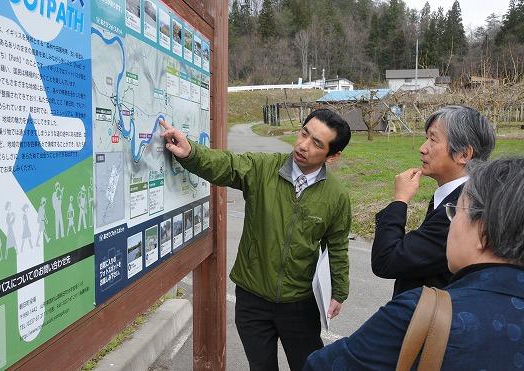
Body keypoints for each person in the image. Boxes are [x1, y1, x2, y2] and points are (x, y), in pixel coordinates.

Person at [160, 109, 352, 371]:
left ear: (333, 155)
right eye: (304, 133)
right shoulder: (263, 168)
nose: (303, 145)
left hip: (299, 303)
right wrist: (191, 153)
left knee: (309, 366)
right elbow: (225, 165)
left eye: (317, 143)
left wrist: (339, 291)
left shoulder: (337, 196)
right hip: (252, 301)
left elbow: (338, 246)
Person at [305, 157, 524, 370]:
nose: (422, 149)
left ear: (483, 233)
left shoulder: (421, 315)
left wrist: (399, 201)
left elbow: (321, 365)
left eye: (455, 212)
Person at [371, 106, 495, 297]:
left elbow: (387, 261)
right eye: (426, 138)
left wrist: (400, 200)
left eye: (433, 139)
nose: (422, 148)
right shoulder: (460, 195)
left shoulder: (460, 210)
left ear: (464, 154)